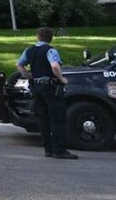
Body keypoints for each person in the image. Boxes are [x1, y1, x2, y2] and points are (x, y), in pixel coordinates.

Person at [16, 26, 78, 160]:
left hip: (37, 87)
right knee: (57, 118)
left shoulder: (29, 50)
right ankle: (59, 150)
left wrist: (28, 76)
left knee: (43, 118)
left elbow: (19, 65)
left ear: (38, 37)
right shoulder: (50, 50)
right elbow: (55, 66)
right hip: (50, 87)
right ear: (51, 38)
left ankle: (47, 149)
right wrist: (62, 79)